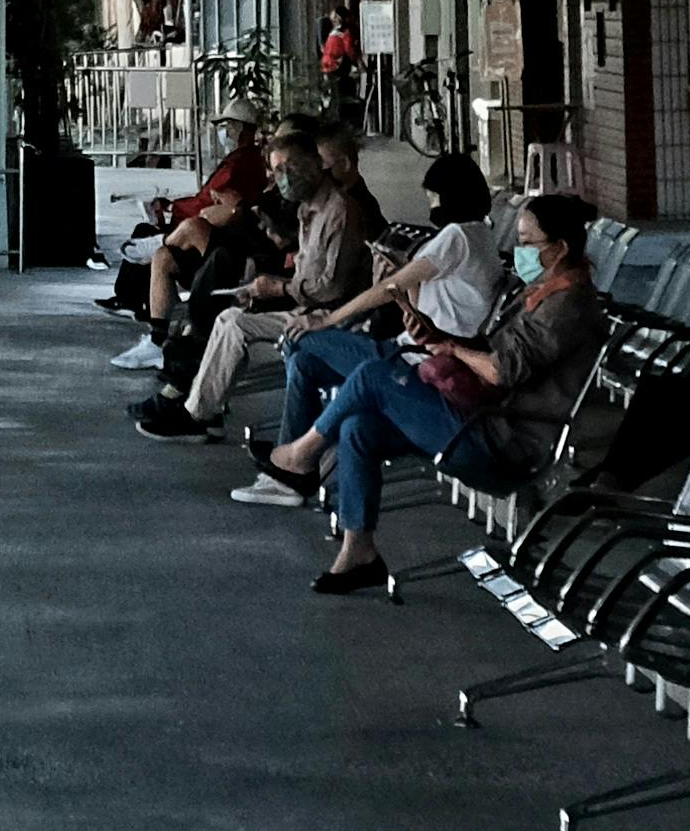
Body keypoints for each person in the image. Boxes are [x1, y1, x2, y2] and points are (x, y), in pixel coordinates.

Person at [265, 189, 602, 598]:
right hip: (481, 417)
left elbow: (501, 370)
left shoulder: (566, 306)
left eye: (529, 243)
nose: (519, 251)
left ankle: (303, 452)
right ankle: (360, 552)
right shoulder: (544, 293)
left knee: (373, 375)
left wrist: (453, 349)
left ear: (561, 248)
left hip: (501, 440)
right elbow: (490, 350)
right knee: (359, 426)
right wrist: (438, 336)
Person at [233, 150, 498, 498]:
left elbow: (389, 290)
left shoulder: (458, 236)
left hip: (413, 356)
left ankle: (298, 461)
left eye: (433, 197)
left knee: (302, 341)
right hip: (419, 344)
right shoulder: (482, 237)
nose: (430, 205)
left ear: (450, 195)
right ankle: (293, 468)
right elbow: (416, 303)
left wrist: (328, 319)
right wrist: (398, 281)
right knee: (305, 360)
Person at [139, 128, 380, 439]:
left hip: (332, 316)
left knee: (235, 323)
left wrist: (278, 289)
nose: (282, 177)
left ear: (313, 164)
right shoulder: (308, 209)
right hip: (308, 304)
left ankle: (199, 413)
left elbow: (331, 288)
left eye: (288, 168)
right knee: (230, 316)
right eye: (276, 170)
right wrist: (265, 291)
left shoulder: (339, 211)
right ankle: (199, 410)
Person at [110, 118, 277, 363]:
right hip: (232, 241)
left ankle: (161, 240)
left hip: (244, 252)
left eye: (229, 127)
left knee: (193, 225)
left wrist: (236, 207)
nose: (224, 133)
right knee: (164, 257)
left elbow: (219, 206)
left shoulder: (244, 164)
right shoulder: (245, 162)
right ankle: (157, 340)